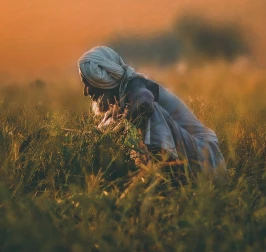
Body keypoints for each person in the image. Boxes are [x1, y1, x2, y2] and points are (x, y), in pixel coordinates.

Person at [78, 46, 226, 176]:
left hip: (206, 156)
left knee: (149, 111)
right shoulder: (119, 102)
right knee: (109, 128)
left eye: (87, 84)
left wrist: (125, 122)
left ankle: (165, 178)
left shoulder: (136, 84)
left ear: (102, 79)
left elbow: (144, 100)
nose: (86, 92)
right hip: (191, 155)